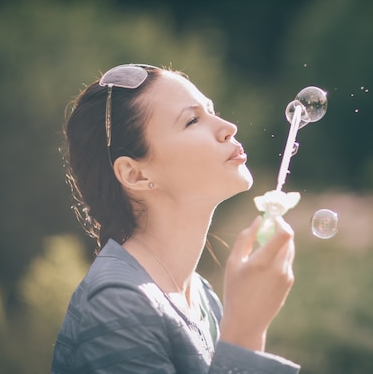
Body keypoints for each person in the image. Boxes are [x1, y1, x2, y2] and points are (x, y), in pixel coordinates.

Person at [51, 63, 300, 374]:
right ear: (135, 174)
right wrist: (246, 330)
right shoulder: (117, 306)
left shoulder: (201, 296)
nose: (228, 127)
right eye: (193, 120)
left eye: (212, 111)